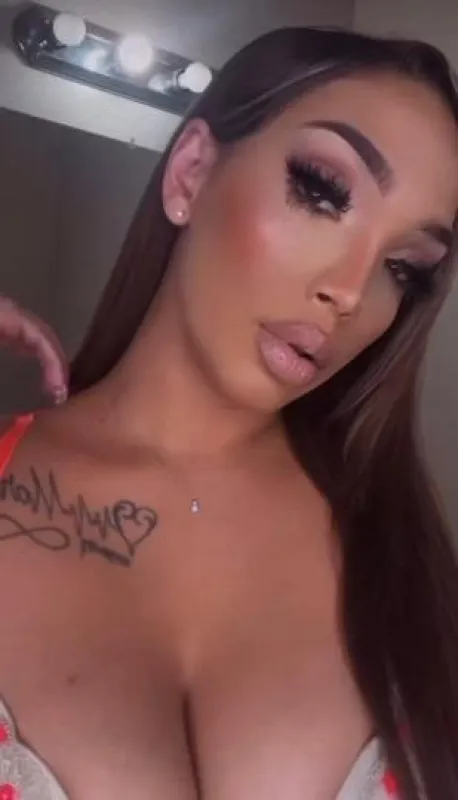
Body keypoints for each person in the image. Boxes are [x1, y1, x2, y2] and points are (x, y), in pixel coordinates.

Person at [0, 25, 457, 800]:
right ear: (190, 172)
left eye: (402, 268)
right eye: (323, 191)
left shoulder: (404, 561)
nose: (351, 291)